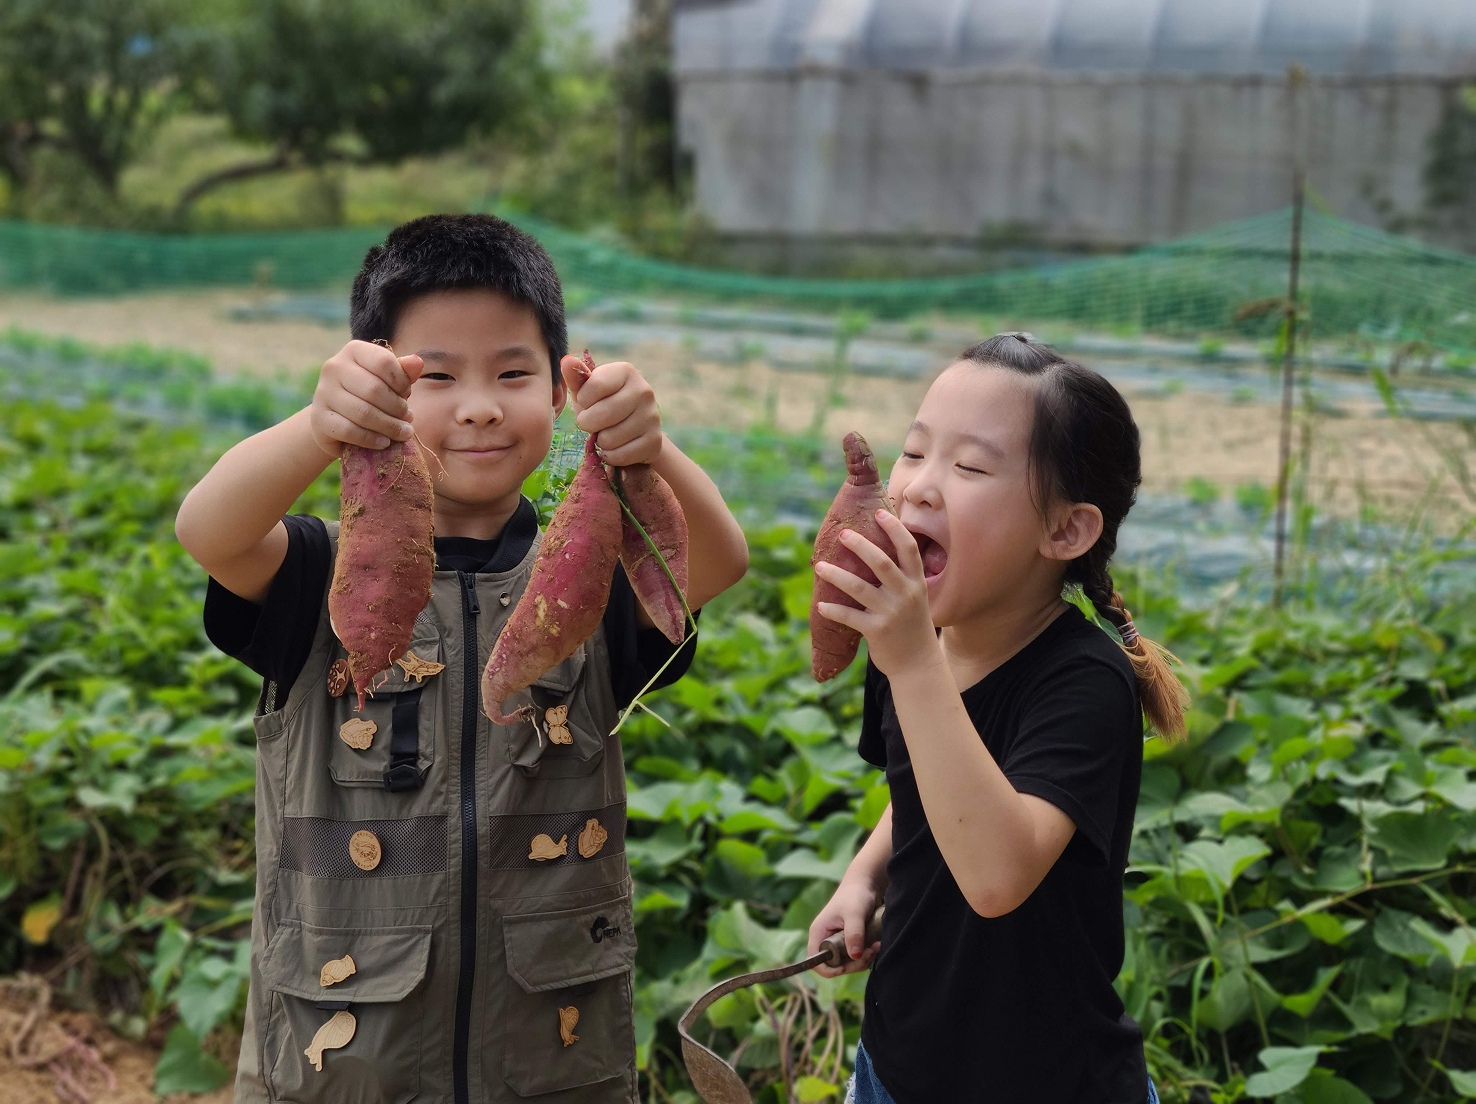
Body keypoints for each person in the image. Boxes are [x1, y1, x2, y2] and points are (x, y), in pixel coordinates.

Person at [175, 213, 749, 1104]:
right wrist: (318, 427)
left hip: (552, 1064)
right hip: (342, 1069)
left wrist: (650, 447)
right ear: (381, 386)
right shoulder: (317, 577)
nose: (479, 404)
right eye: (435, 375)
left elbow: (717, 563)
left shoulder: (585, 583)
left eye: (513, 373)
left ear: (559, 394)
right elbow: (208, 531)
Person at [805, 333, 1187, 1104]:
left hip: (1047, 1079)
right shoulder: (913, 640)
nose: (917, 488)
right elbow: (918, 798)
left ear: (1066, 531)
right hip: (897, 1064)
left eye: (971, 467)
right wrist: (863, 875)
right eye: (915, 452)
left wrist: (913, 664)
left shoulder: (1083, 683)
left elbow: (997, 876)